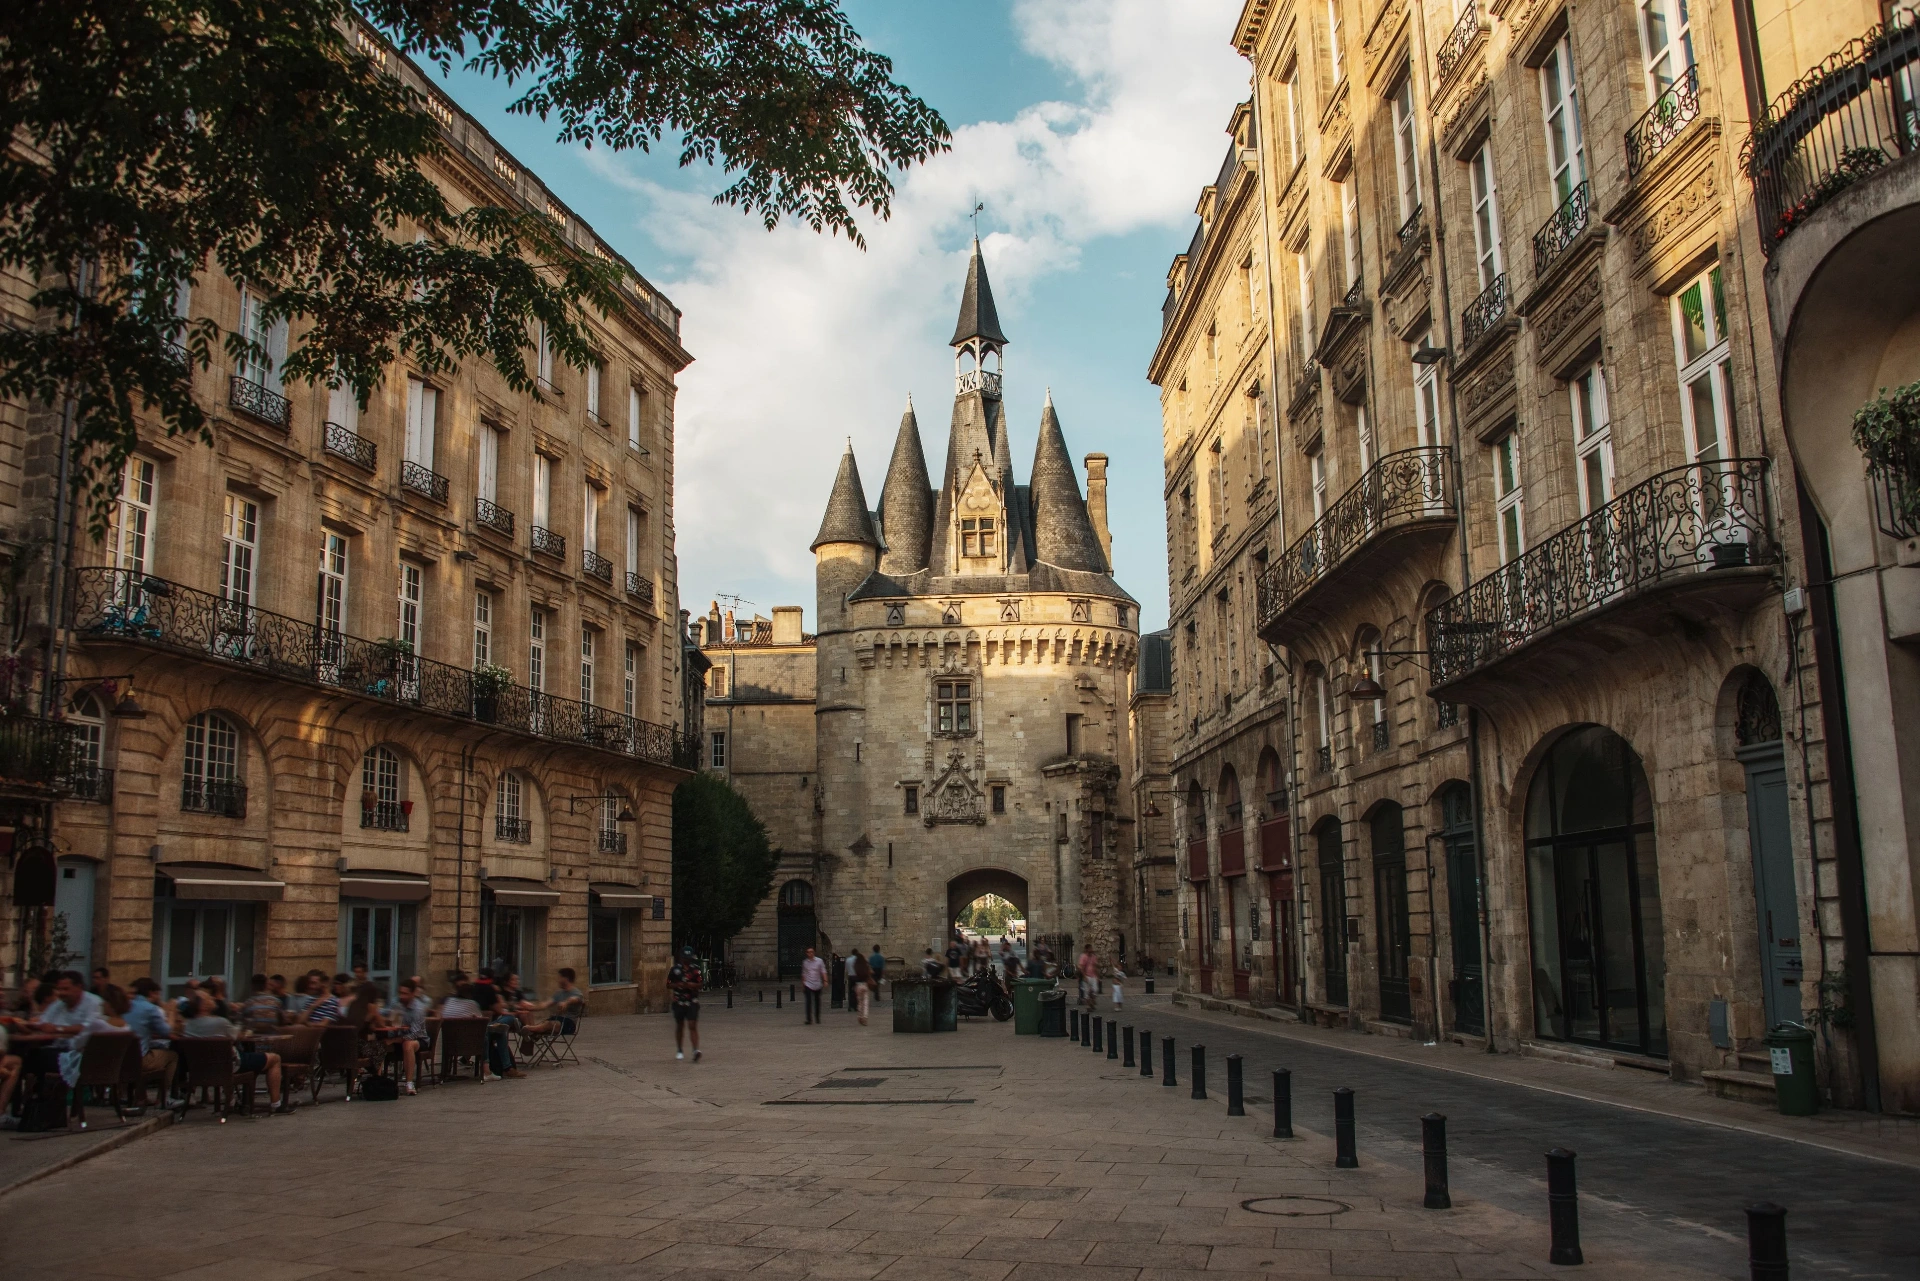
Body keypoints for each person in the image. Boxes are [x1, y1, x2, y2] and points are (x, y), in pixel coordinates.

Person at [181, 991, 295, 1114]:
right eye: (209, 998)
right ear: (202, 1006)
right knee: (274, 1059)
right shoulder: (220, 1022)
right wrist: (243, 1023)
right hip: (230, 1066)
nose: (213, 998)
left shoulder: (187, 1025)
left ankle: (232, 1101)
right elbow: (239, 1035)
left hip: (201, 1069)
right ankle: (276, 1104)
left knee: (233, 1057)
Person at [388, 979, 431, 1094]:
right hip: (400, 1036)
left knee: (408, 1045)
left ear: (412, 994)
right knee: (380, 1043)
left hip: (419, 1040)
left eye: (405, 994)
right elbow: (394, 1023)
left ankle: (409, 1083)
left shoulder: (418, 1009)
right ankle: (380, 1081)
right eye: (400, 993)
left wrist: (395, 1040)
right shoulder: (397, 1005)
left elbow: (415, 1033)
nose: (402, 996)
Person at [668, 947, 702, 1061]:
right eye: (685, 958)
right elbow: (668, 984)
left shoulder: (696, 970)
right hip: (679, 1001)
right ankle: (679, 1049)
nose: (687, 960)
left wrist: (692, 985)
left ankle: (695, 1049)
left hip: (692, 1000)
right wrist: (678, 985)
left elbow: (701, 984)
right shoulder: (675, 969)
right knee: (680, 1025)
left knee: (692, 1025)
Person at [799, 947, 826, 1024]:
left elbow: (823, 971)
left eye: (812, 952)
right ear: (806, 953)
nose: (810, 953)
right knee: (808, 1002)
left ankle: (817, 1017)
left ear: (814, 953)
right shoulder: (805, 962)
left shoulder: (819, 961)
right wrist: (803, 984)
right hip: (808, 984)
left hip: (817, 984)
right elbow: (804, 973)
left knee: (817, 1001)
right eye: (808, 952)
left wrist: (825, 980)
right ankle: (809, 1019)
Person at [851, 949, 872, 1026]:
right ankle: (865, 1017)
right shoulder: (866, 967)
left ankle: (859, 1016)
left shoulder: (856, 967)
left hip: (858, 986)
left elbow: (854, 976)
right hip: (865, 985)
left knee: (859, 1002)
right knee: (866, 1003)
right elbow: (870, 973)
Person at [1077, 946, 1098, 1011]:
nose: (1091, 950)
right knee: (1087, 991)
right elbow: (1081, 967)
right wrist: (1084, 976)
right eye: (1090, 948)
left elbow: (1095, 966)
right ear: (1086, 949)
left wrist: (1097, 976)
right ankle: (1089, 1005)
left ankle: (1092, 1002)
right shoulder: (1083, 956)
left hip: (1093, 975)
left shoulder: (1093, 956)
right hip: (1086, 976)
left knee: (1095, 990)